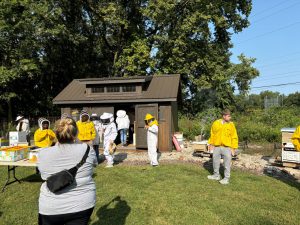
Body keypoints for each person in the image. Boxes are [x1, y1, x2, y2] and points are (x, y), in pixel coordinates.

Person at [38, 117, 98, 225]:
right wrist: (76, 139)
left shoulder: (43, 153)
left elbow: (43, 174)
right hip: (83, 204)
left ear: (56, 134)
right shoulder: (88, 149)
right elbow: (95, 163)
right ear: (75, 133)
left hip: (51, 206)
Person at [207, 109, 238, 185]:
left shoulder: (231, 125)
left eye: (230, 116)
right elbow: (212, 134)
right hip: (217, 147)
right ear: (224, 116)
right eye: (228, 116)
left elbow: (234, 137)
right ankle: (216, 175)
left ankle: (226, 178)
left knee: (227, 164)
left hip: (227, 148)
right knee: (215, 162)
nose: (230, 117)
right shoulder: (216, 123)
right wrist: (211, 144)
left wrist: (233, 148)